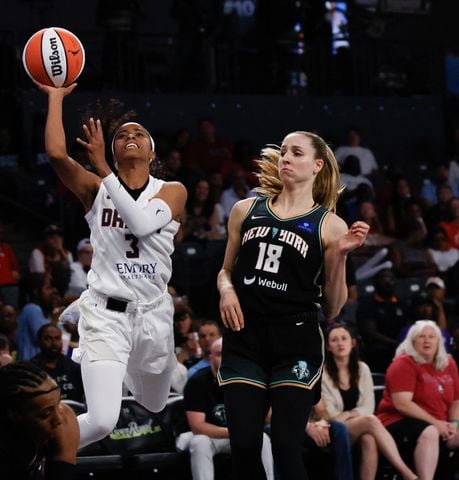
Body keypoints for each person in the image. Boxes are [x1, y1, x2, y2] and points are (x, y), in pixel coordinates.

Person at [38, 80, 187, 449]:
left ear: (152, 153)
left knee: (154, 402)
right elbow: (57, 154)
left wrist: (105, 168)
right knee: (103, 419)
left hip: (153, 316)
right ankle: (32, 456)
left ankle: (127, 360)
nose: (130, 136)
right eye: (121, 135)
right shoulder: (95, 189)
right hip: (107, 317)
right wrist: (55, 97)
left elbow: (140, 223)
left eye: (139, 133)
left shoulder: (172, 190)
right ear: (114, 151)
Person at [217, 131, 369, 479]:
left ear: (317, 165)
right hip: (245, 337)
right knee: (243, 446)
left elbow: (331, 309)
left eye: (296, 153)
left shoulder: (330, 226)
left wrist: (341, 256)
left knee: (286, 446)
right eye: (283, 151)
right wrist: (227, 291)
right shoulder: (245, 210)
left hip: (296, 340)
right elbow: (225, 271)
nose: (285, 157)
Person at [376, 320, 459, 480]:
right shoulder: (403, 363)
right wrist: (436, 423)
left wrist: (454, 423)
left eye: (432, 337)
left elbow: (457, 401)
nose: (427, 341)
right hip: (398, 421)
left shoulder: (448, 362)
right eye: (422, 337)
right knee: (430, 431)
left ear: (439, 341)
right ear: (412, 341)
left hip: (439, 423)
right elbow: (402, 404)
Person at [322, 324, 417, 480]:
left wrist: (349, 414)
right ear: (328, 347)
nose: (340, 343)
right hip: (332, 430)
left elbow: (369, 406)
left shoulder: (362, 369)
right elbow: (331, 415)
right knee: (371, 421)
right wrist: (354, 416)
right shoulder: (322, 374)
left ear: (353, 343)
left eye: (344, 338)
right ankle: (406, 473)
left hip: (355, 426)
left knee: (369, 438)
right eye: (334, 340)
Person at [179, 338, 274, 480]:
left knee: (263, 439)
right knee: (200, 443)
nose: (225, 358)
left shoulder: (245, 379)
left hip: (233, 435)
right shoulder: (197, 382)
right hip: (206, 436)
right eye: (219, 354)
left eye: (229, 354)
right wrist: (237, 432)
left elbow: (268, 417)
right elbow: (198, 427)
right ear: (210, 357)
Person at [31, 324, 84, 403]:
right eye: (48, 339)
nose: (54, 343)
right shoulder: (32, 369)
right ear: (39, 341)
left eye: (57, 338)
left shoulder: (73, 367)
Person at [16, 273, 61, 361]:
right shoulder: (32, 309)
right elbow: (45, 338)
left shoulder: (39, 310)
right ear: (36, 291)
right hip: (30, 365)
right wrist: (55, 319)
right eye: (47, 288)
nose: (52, 291)